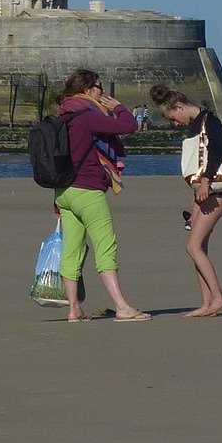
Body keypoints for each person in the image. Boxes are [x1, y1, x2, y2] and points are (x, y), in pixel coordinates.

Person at [52, 70, 149, 322]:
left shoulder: (62, 116)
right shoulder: (85, 117)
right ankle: (122, 307)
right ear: (86, 90)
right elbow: (129, 126)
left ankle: (73, 309)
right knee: (105, 247)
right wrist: (119, 107)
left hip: (64, 192)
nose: (102, 92)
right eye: (98, 87)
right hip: (87, 189)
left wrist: (56, 199)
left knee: (71, 250)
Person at [149, 85, 222, 317]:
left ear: (179, 107)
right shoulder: (196, 125)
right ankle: (207, 304)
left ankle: (219, 297)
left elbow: (219, 150)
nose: (175, 124)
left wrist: (206, 181)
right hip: (203, 193)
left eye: (173, 118)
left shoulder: (209, 120)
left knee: (193, 246)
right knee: (200, 248)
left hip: (216, 192)